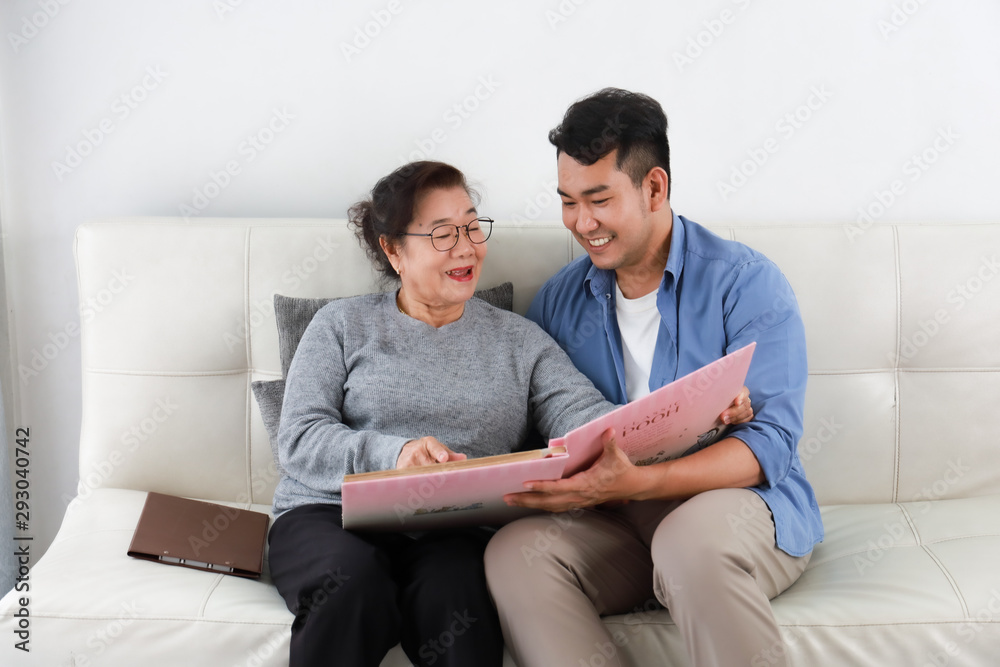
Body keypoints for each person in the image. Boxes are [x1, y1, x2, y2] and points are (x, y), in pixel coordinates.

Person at [266, 161, 751, 667]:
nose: (466, 247)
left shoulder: (519, 340)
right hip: (332, 516)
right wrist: (398, 453)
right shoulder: (341, 325)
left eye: (472, 227)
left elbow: (586, 420)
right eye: (441, 233)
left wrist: (702, 418)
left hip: (450, 528)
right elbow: (300, 437)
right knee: (353, 588)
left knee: (459, 602)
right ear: (393, 250)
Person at [485, 88, 825, 667]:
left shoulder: (746, 284)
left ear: (655, 188)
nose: (581, 222)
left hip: (733, 509)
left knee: (686, 543)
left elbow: (767, 448)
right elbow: (533, 428)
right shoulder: (560, 302)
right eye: (567, 201)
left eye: (598, 199)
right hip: (615, 523)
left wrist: (640, 482)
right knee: (514, 553)